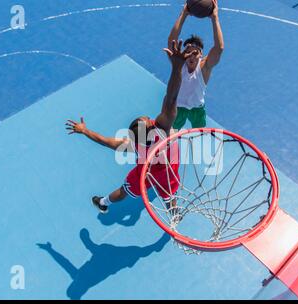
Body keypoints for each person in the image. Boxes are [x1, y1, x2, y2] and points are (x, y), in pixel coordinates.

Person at [65, 40, 197, 214]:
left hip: (146, 171)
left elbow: (105, 141)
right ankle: (173, 215)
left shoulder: (133, 144)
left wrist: (84, 130)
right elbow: (171, 97)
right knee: (169, 195)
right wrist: (176, 67)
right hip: (167, 168)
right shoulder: (162, 129)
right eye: (147, 119)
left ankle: (103, 202)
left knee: (124, 191)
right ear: (151, 125)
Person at [168, 0, 224, 130]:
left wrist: (215, 18)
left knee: (199, 135)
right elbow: (171, 41)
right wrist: (184, 14)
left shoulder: (204, 67)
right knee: (169, 134)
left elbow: (219, 48)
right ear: (183, 52)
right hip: (178, 107)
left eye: (195, 52)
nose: (191, 55)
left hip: (197, 109)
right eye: (188, 52)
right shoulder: (179, 63)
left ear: (201, 55)